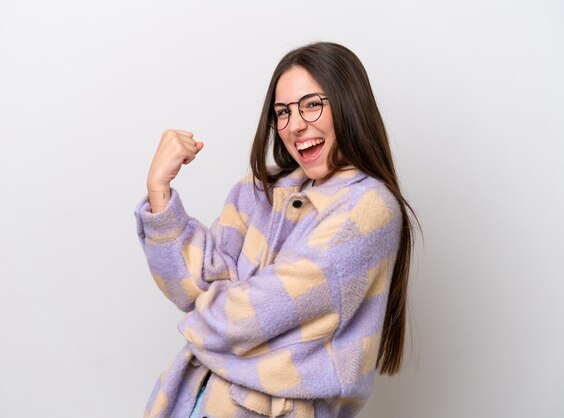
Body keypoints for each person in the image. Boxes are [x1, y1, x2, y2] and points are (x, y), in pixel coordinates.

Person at [134, 41, 417, 418]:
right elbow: (190, 283)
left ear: (349, 104)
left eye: (312, 104)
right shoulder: (260, 189)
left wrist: (216, 308)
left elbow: (246, 318)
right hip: (189, 399)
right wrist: (160, 193)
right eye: (282, 112)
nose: (295, 125)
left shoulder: (368, 210)